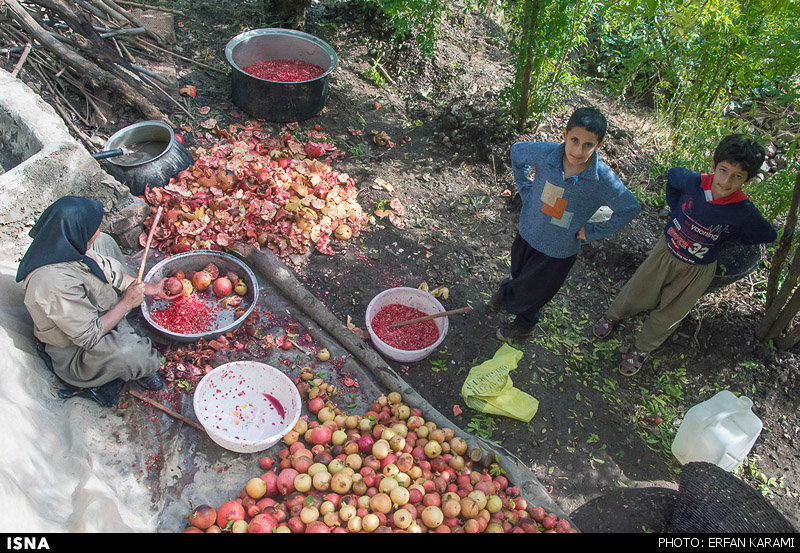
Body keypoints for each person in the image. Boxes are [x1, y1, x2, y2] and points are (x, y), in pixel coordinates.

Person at [592, 134, 777, 376]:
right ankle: (613, 316)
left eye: (737, 176)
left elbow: (766, 234)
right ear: (714, 165)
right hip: (666, 251)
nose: (726, 181)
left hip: (697, 269)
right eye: (723, 170)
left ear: (748, 180)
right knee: (639, 288)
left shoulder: (742, 210)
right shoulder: (693, 182)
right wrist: (676, 210)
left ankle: (642, 347)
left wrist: (729, 237)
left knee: (672, 311)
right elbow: (673, 178)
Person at [492, 107, 641, 341]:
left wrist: (592, 232)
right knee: (520, 275)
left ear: (599, 145)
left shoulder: (601, 179)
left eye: (588, 145)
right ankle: (509, 294)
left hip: (558, 251)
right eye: (574, 140)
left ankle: (524, 325)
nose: (578, 151)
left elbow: (630, 208)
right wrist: (526, 189)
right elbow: (517, 152)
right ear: (564, 134)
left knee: (536, 291)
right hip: (528, 233)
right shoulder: (546, 154)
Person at [16, 196, 179, 406]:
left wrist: (152, 289)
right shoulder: (53, 284)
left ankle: (122, 319)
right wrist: (126, 303)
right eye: (92, 229)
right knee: (133, 355)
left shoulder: (65, 244)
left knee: (105, 242)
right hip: (79, 350)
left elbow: (110, 272)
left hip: (95, 310)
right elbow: (89, 336)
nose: (97, 232)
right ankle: (135, 368)